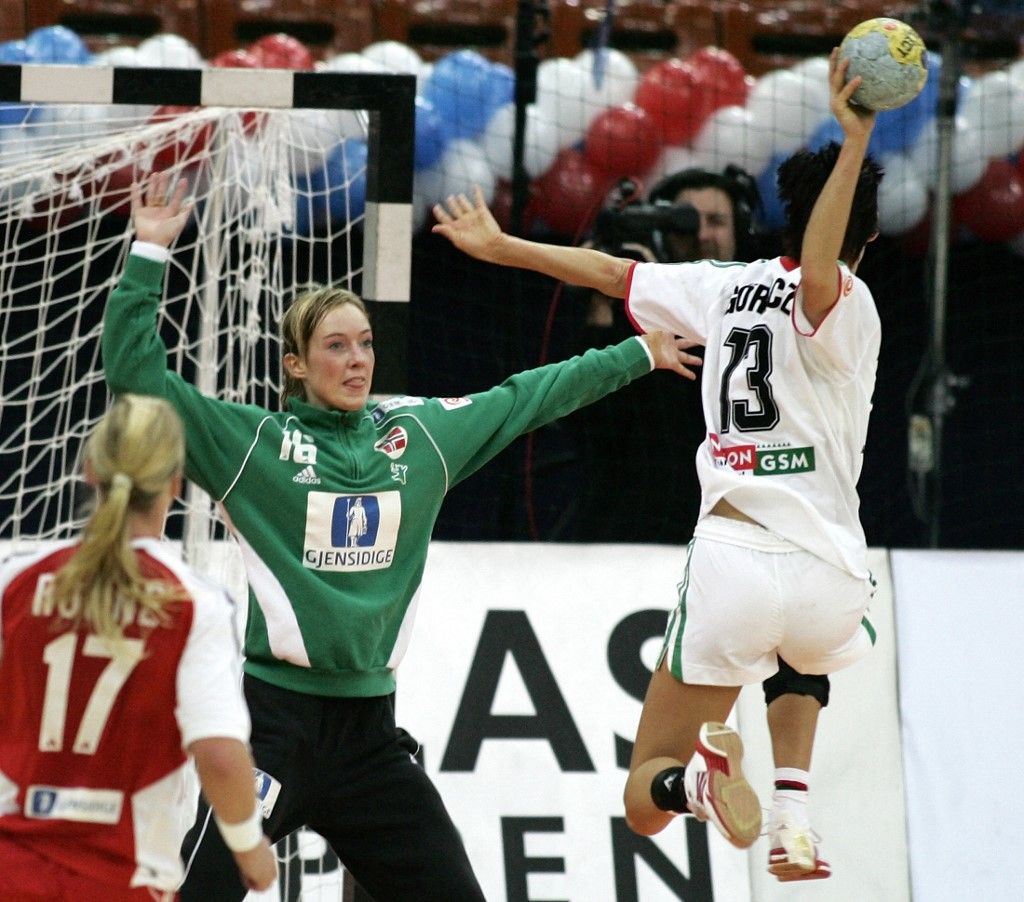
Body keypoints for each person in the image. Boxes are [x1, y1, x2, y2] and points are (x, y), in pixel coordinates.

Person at [99, 172, 701, 901]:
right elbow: (138, 379)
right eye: (335, 347)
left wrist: (636, 354)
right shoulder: (253, 446)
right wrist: (149, 254)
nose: (356, 360)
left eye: (365, 344)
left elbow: (525, 398)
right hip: (272, 730)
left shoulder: (418, 437)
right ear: (295, 366)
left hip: (370, 744)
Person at [432, 49, 881, 882]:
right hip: (829, 575)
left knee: (643, 800)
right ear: (874, 234)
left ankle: (694, 789)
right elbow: (825, 271)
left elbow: (609, 271)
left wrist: (500, 248)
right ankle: (793, 817)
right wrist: (857, 142)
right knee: (806, 655)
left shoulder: (724, 285)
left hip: (736, 561)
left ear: (781, 216)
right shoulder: (853, 302)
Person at [0, 395, 277, 901]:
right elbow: (218, 752)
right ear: (175, 485)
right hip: (121, 881)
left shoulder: (14, 581)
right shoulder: (192, 602)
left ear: (88, 472)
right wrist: (248, 845)